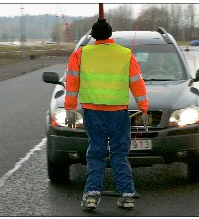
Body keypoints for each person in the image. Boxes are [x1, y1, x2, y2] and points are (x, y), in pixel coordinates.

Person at [64, 19, 149, 210]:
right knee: (119, 154)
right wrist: (144, 108)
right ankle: (127, 195)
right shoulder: (125, 54)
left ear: (93, 36)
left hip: (93, 113)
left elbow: (72, 83)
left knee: (96, 152)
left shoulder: (80, 54)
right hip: (118, 113)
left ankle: (92, 195)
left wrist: (69, 108)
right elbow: (137, 83)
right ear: (110, 35)